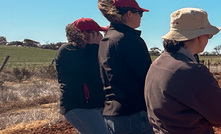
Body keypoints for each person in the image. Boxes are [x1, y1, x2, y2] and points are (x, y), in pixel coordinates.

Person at [144, 7, 221, 134]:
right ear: (199, 36)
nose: (208, 39)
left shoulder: (157, 64)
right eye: (208, 35)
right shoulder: (191, 71)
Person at [97, 0, 154, 133]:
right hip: (133, 113)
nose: (141, 16)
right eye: (139, 13)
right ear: (129, 13)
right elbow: (148, 76)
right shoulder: (128, 39)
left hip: (113, 113)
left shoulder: (107, 39)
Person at [55, 18, 110, 134]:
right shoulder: (67, 50)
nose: (100, 36)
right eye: (98, 33)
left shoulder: (89, 50)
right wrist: (94, 47)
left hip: (94, 105)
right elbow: (89, 71)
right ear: (86, 34)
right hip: (78, 106)